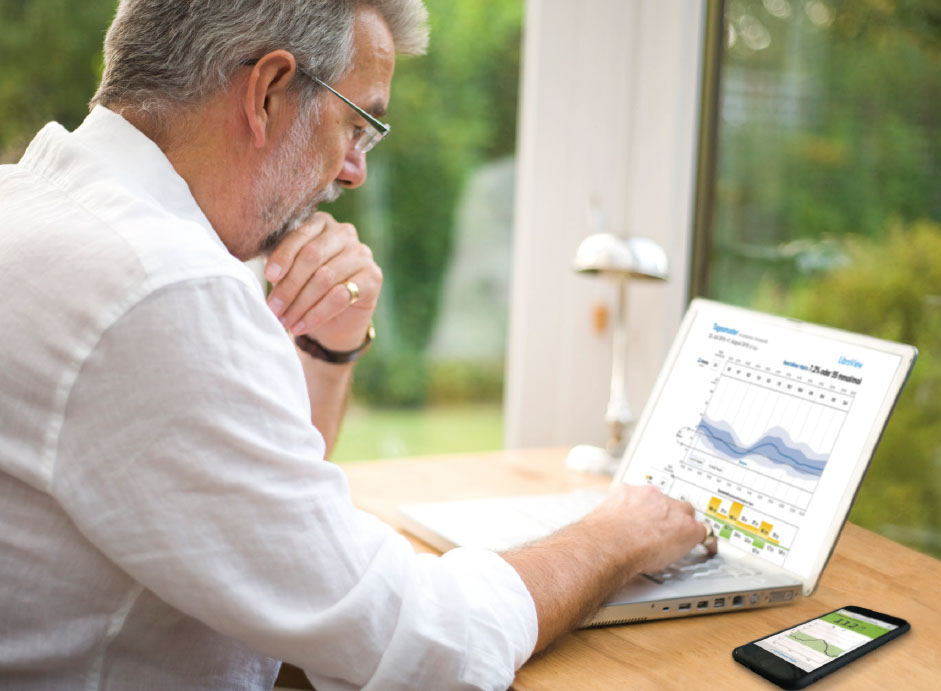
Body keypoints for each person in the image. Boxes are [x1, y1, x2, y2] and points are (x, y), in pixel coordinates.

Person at [0, 1, 716, 689]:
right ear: (270, 92)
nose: (353, 170)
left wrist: (332, 345)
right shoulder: (161, 289)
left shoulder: (33, 207)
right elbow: (424, 647)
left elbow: (257, 515)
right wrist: (620, 531)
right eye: (357, 123)